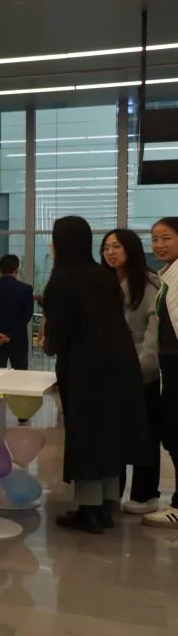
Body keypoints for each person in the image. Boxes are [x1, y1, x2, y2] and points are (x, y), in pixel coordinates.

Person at [42, 216, 150, 533]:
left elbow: (58, 332)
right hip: (120, 366)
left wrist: (48, 344)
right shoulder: (103, 276)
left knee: (87, 437)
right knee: (109, 436)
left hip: (86, 370)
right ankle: (105, 507)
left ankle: (89, 511)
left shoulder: (64, 278)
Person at [100, 229, 163, 515]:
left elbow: (153, 333)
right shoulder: (104, 283)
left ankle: (145, 494)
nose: (110, 252)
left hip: (141, 374)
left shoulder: (149, 283)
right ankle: (112, 491)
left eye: (117, 247)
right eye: (106, 247)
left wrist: (142, 368)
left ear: (131, 249)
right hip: (110, 373)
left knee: (144, 437)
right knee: (113, 436)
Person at [144, 217, 178, 528]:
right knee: (171, 432)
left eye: (166, 237)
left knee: (174, 432)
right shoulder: (168, 274)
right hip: (170, 364)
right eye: (155, 238)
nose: (159, 245)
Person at [0, 254, 34, 370]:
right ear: (16, 270)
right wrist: (9, 336)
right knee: (20, 377)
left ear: (0, 269)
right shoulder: (26, 289)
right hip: (18, 341)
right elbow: (27, 315)